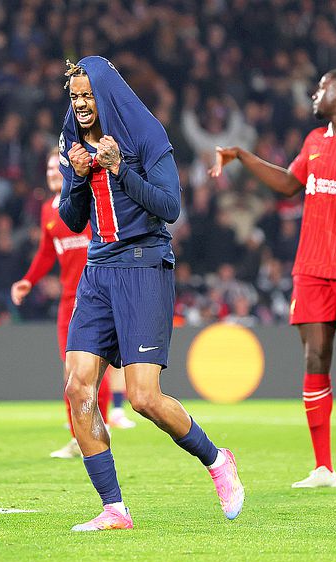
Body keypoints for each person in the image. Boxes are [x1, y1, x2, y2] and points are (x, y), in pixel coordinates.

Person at [58, 57, 244, 531]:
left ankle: (217, 460)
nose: (80, 105)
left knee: (143, 398)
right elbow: (72, 220)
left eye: (87, 96)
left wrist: (119, 168)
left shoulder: (146, 134)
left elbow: (170, 207)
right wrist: (79, 177)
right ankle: (114, 508)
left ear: (106, 94)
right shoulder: (71, 137)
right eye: (74, 97)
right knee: (78, 386)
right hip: (98, 268)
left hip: (143, 265)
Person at [210, 68, 336, 488]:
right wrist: (244, 156)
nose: (314, 95)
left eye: (320, 89)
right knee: (315, 358)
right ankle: (323, 468)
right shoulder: (315, 142)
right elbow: (287, 183)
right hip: (310, 270)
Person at [10, 150, 115, 459]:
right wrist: (29, 280)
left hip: (95, 296)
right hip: (68, 301)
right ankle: (78, 437)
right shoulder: (48, 211)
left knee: (93, 372)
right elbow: (46, 251)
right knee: (69, 374)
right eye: (48, 167)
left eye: (58, 166)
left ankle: (101, 427)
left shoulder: (87, 201)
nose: (52, 171)